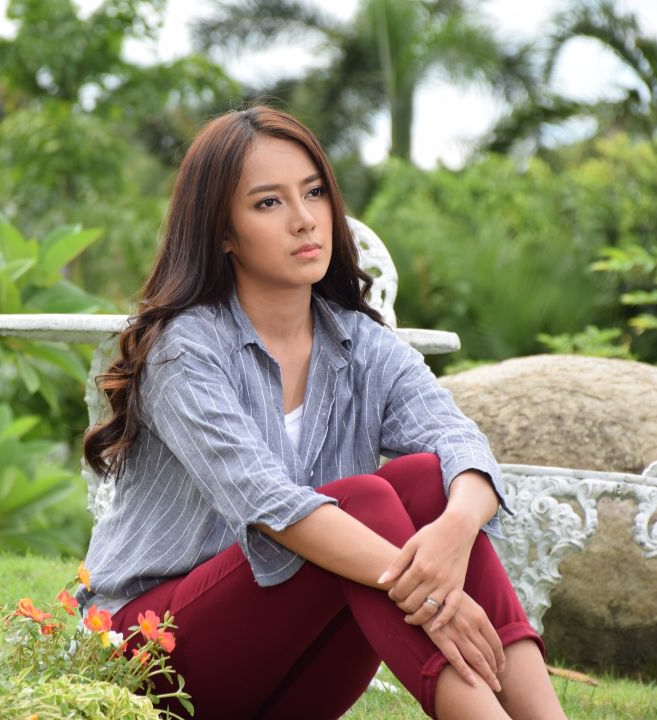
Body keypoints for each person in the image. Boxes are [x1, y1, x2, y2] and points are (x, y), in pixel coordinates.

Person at [80, 105, 567, 720]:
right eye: (268, 203)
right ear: (222, 232)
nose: (305, 219)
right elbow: (271, 505)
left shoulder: (361, 343)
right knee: (361, 502)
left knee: (427, 480)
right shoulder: (186, 350)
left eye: (313, 193)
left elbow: (460, 443)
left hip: (288, 673)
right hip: (153, 655)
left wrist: (455, 532)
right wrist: (429, 593)